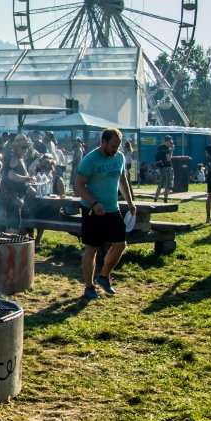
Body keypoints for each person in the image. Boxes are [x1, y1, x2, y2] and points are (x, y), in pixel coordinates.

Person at [74, 128, 136, 300]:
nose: (115, 149)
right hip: (92, 211)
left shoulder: (119, 157)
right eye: (113, 146)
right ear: (104, 142)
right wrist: (94, 203)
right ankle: (89, 286)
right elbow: (78, 185)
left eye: (117, 146)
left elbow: (121, 179)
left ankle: (103, 276)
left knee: (120, 244)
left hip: (112, 209)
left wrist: (130, 202)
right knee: (91, 249)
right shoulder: (90, 160)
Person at [153, 135, 174, 202]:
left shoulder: (160, 147)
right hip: (167, 167)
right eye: (170, 141)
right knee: (167, 184)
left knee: (160, 184)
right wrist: (171, 151)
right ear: (167, 141)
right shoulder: (167, 148)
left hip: (161, 167)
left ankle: (155, 199)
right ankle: (165, 199)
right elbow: (168, 159)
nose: (171, 142)